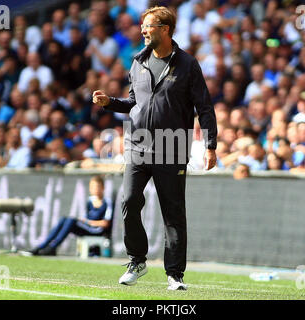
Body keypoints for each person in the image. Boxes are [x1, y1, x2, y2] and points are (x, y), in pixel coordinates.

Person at [92, 6, 217, 290]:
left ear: (165, 29)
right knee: (129, 201)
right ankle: (137, 260)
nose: (143, 30)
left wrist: (211, 145)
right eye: (143, 26)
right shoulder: (138, 61)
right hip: (138, 144)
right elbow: (133, 102)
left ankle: (175, 274)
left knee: (173, 213)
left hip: (172, 146)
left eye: (149, 26)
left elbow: (204, 107)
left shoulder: (188, 64)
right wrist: (109, 102)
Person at [26, 175, 112, 256]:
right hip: (87, 227)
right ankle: (42, 246)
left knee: (71, 220)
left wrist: (89, 222)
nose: (95, 189)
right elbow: (86, 217)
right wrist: (84, 221)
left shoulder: (107, 202)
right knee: (64, 219)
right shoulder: (90, 201)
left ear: (103, 188)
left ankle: (52, 247)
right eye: (92, 187)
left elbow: (105, 223)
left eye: (97, 187)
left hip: (97, 230)